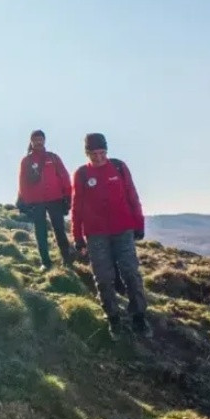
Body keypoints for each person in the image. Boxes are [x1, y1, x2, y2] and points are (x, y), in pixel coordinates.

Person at [71, 133, 153, 339]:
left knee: (131, 273)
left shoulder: (119, 167)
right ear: (87, 153)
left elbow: (132, 196)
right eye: (94, 154)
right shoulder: (81, 174)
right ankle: (113, 318)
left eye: (102, 153)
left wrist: (139, 223)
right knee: (103, 278)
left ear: (106, 151)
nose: (99, 158)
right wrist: (77, 236)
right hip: (96, 234)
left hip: (123, 230)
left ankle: (139, 316)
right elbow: (76, 207)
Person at [17, 130, 75, 270]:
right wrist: (26, 201)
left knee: (59, 229)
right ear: (31, 141)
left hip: (55, 199)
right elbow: (22, 182)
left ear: (44, 140)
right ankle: (45, 262)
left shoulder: (53, 158)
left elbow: (64, 177)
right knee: (40, 231)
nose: (38, 141)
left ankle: (67, 259)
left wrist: (67, 196)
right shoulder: (26, 161)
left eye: (41, 139)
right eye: (35, 139)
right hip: (36, 202)